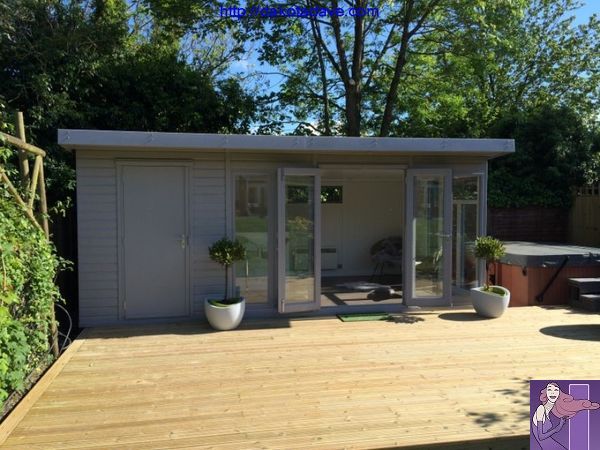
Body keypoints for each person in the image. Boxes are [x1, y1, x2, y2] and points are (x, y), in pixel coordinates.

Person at [531, 382, 599, 449]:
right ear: (546, 393)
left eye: (556, 390)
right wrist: (557, 428)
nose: (553, 392)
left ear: (559, 394)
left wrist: (561, 424)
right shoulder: (541, 409)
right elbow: (541, 437)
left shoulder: (547, 412)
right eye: (549, 389)